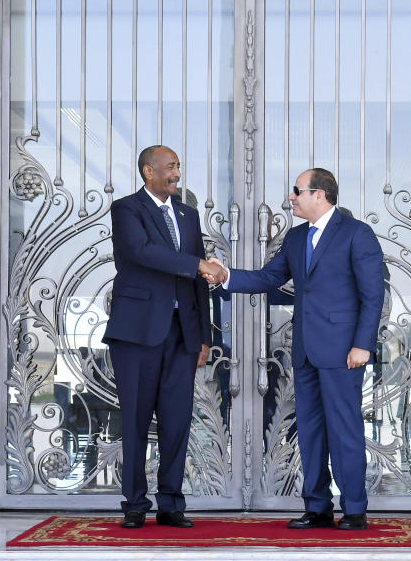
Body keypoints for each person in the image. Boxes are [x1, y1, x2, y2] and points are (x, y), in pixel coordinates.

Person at [206, 168, 384, 530]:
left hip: (344, 353)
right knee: (310, 430)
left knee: (344, 430)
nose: (291, 197)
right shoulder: (296, 238)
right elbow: (269, 278)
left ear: (320, 195)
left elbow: (373, 294)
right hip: (305, 352)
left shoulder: (356, 234)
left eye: (297, 191)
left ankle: (354, 509)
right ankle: (317, 506)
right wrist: (227, 276)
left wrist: (362, 345)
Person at [102, 145, 225, 529]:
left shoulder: (188, 215)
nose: (176, 173)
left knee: (177, 421)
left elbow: (197, 284)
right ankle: (135, 504)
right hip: (137, 333)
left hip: (182, 333)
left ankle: (171, 503)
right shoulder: (127, 210)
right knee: (137, 420)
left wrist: (204, 335)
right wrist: (197, 264)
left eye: (178, 167)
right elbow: (143, 252)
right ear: (147, 171)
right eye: (169, 167)